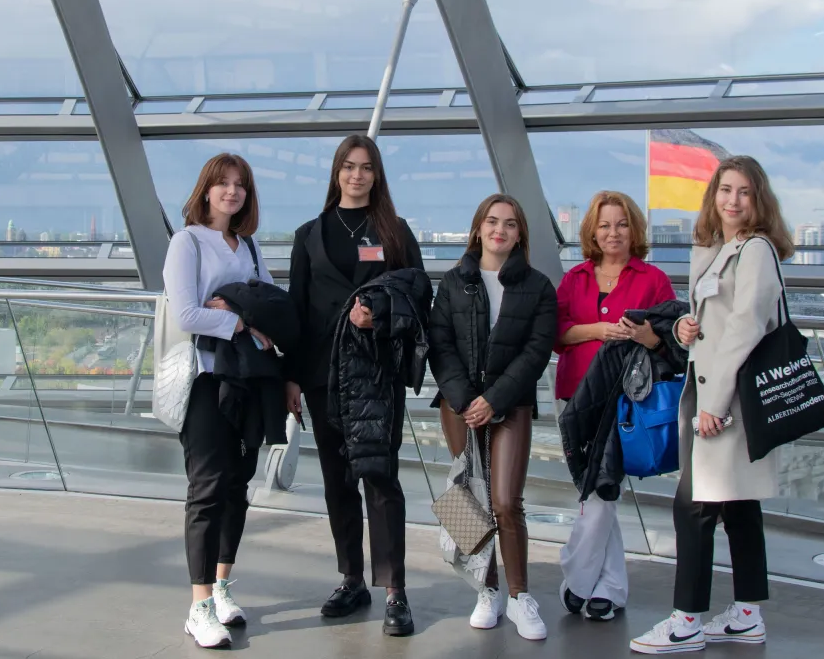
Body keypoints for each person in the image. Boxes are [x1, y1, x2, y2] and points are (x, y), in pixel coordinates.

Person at [631, 156, 793, 654]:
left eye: (744, 192)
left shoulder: (757, 250)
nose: (733, 201)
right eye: (725, 190)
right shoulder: (720, 248)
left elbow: (747, 328)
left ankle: (686, 621)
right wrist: (684, 327)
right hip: (713, 392)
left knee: (694, 507)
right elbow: (710, 319)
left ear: (758, 199)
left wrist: (715, 404)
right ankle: (747, 613)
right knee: (740, 506)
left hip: (727, 399)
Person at [287, 134, 425, 636]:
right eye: (349, 166)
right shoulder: (309, 234)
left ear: (377, 174)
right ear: (336, 172)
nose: (357, 175)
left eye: (366, 167)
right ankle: (351, 579)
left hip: (376, 373)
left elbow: (418, 293)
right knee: (337, 481)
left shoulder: (393, 230)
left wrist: (380, 315)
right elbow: (296, 311)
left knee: (381, 480)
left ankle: (395, 590)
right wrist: (292, 379)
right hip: (323, 375)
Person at [427, 194, 558, 642]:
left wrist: (495, 399)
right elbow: (439, 345)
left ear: (520, 233)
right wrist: (466, 400)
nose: (500, 230)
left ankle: (520, 596)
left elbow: (536, 351)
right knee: (468, 498)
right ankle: (486, 590)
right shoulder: (453, 282)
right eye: (492, 221)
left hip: (511, 405)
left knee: (505, 501)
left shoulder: (538, 286)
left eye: (510, 224)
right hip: (458, 407)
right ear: (478, 228)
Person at [162, 153, 278, 649]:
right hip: (207, 380)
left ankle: (223, 586)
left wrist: (242, 309)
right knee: (206, 490)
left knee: (237, 486)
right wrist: (241, 321)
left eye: (240, 186)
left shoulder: (247, 245)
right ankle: (199, 604)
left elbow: (273, 301)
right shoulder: (186, 242)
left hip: (247, 379)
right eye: (223, 184)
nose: (232, 192)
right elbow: (187, 313)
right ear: (206, 190)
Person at [554, 191, 675, 621]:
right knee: (597, 491)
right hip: (577, 398)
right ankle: (609, 589)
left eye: (621, 224)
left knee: (601, 490)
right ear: (592, 230)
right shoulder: (576, 279)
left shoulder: (653, 279)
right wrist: (599, 330)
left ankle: (577, 576)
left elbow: (671, 342)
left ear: (634, 229)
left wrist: (648, 338)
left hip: (625, 403)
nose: (613, 233)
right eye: (604, 225)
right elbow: (558, 333)